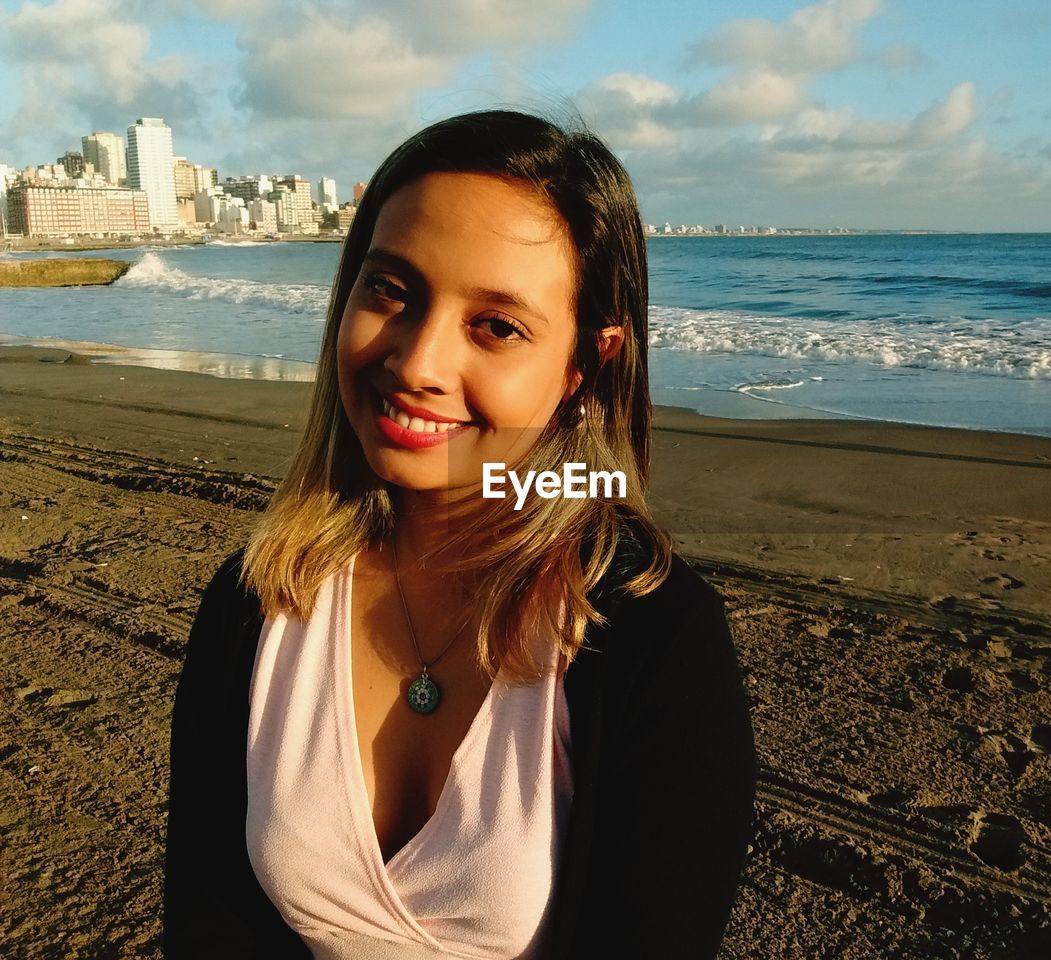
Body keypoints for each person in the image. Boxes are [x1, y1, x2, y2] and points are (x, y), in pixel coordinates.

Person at [163, 109, 757, 960]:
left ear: (586, 365)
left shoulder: (649, 633)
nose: (417, 363)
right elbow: (208, 920)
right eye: (390, 290)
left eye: (497, 326)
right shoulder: (260, 598)